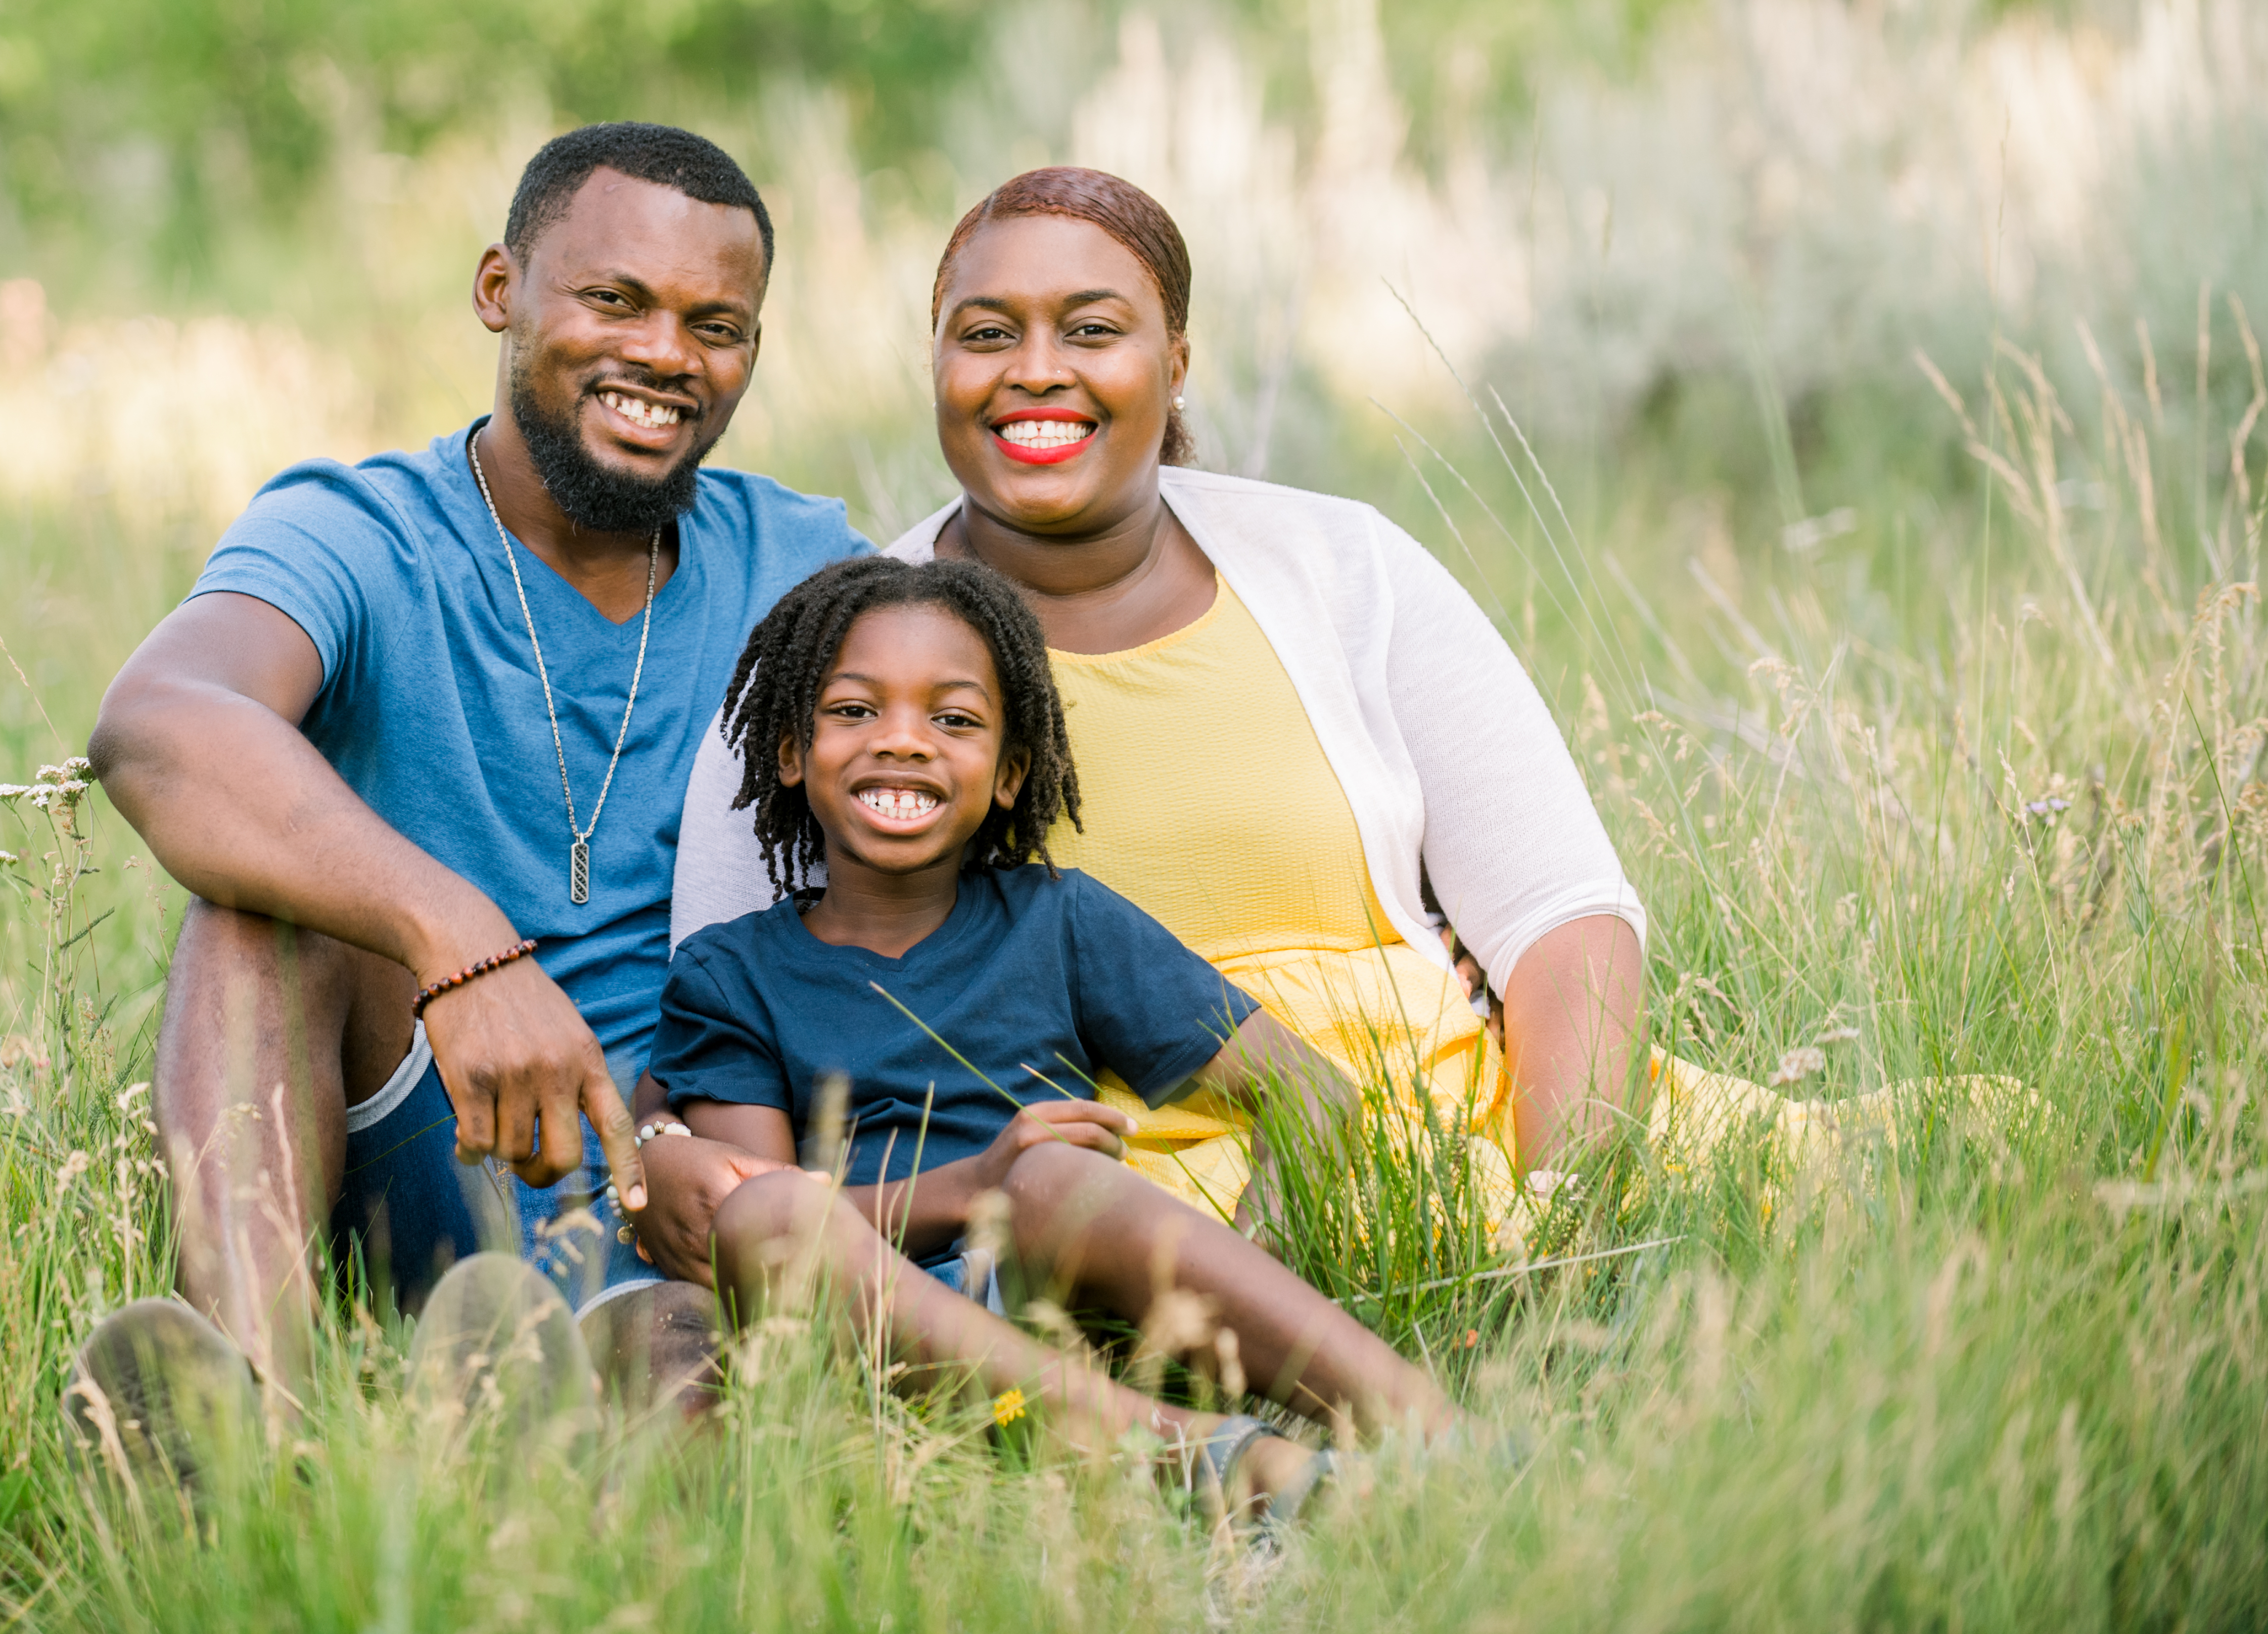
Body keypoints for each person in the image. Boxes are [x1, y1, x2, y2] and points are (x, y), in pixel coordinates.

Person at [669, 165, 1826, 1237]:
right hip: (1129, 1180)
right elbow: (733, 977)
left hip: (1465, 1110)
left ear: (1174, 362)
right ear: (936, 367)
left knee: (1887, 1172)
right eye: (985, 335)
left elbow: (1561, 914)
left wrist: (1567, 1193)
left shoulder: (1345, 569)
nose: (1034, 369)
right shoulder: (844, 668)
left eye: (1091, 329)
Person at [69, 122, 867, 1476]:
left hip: (677, 1190)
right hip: (411, 1127)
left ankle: (508, 1434)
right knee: (258, 909)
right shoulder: (358, 528)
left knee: (685, 1402)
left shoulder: (802, 567)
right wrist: (458, 939)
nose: (667, 355)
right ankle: (258, 1414)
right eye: (614, 300)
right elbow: (158, 722)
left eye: (714, 323)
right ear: (501, 290)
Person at [649, 553, 1462, 1520]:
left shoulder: (1060, 922)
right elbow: (746, 1227)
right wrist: (972, 1186)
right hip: (872, 1338)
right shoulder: (729, 974)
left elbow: (1311, 1094)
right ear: (790, 752)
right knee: (774, 1220)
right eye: (855, 711)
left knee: (1055, 1180)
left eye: (953, 720)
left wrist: (1256, 1260)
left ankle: (1435, 1438)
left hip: (1064, 1301)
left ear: (1009, 774)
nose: (903, 743)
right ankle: (1202, 1465)